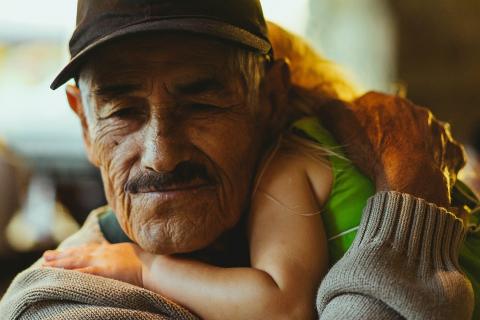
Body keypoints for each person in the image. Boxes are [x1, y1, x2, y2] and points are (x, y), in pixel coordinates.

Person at [0, 1, 473, 319]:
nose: (161, 156)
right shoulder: (63, 301)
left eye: (201, 103)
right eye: (123, 111)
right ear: (84, 126)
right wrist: (412, 195)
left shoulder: (287, 177)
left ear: (269, 102)